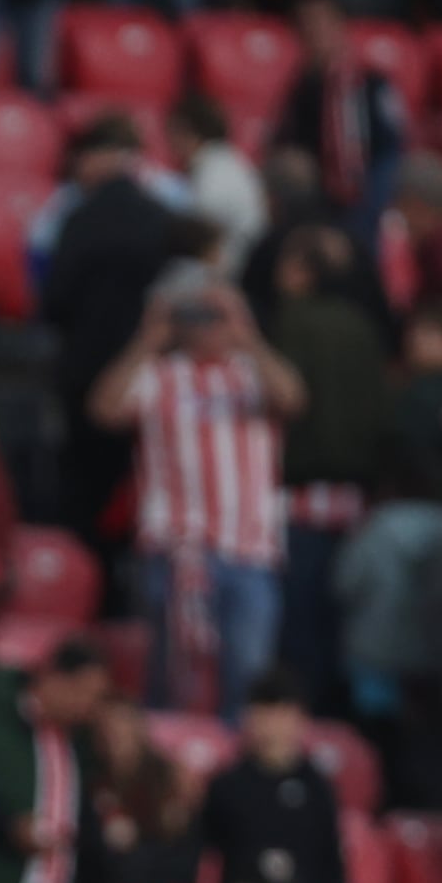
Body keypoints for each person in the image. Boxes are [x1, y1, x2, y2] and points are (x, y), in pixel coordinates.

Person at [91, 269, 304, 720]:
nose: (208, 324)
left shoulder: (252, 375)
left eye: (217, 313)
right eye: (199, 313)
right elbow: (105, 410)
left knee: (249, 675)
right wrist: (148, 338)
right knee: (172, 675)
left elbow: (293, 398)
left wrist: (248, 336)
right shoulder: (160, 374)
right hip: (175, 550)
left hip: (250, 551)